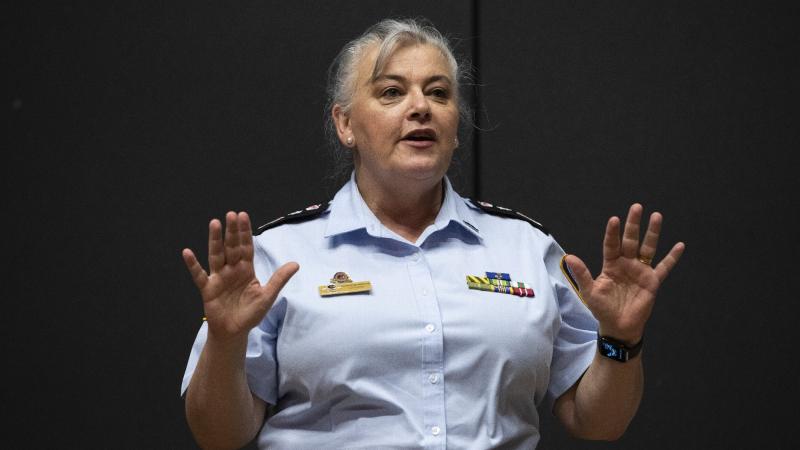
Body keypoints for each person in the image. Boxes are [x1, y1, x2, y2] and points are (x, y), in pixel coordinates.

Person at [180, 18, 685, 449]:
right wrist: (226, 340)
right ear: (345, 124)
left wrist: (621, 339)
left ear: (456, 123)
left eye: (439, 93)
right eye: (391, 92)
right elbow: (219, 436)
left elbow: (599, 422)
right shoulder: (279, 257)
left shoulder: (528, 249)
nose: (420, 107)